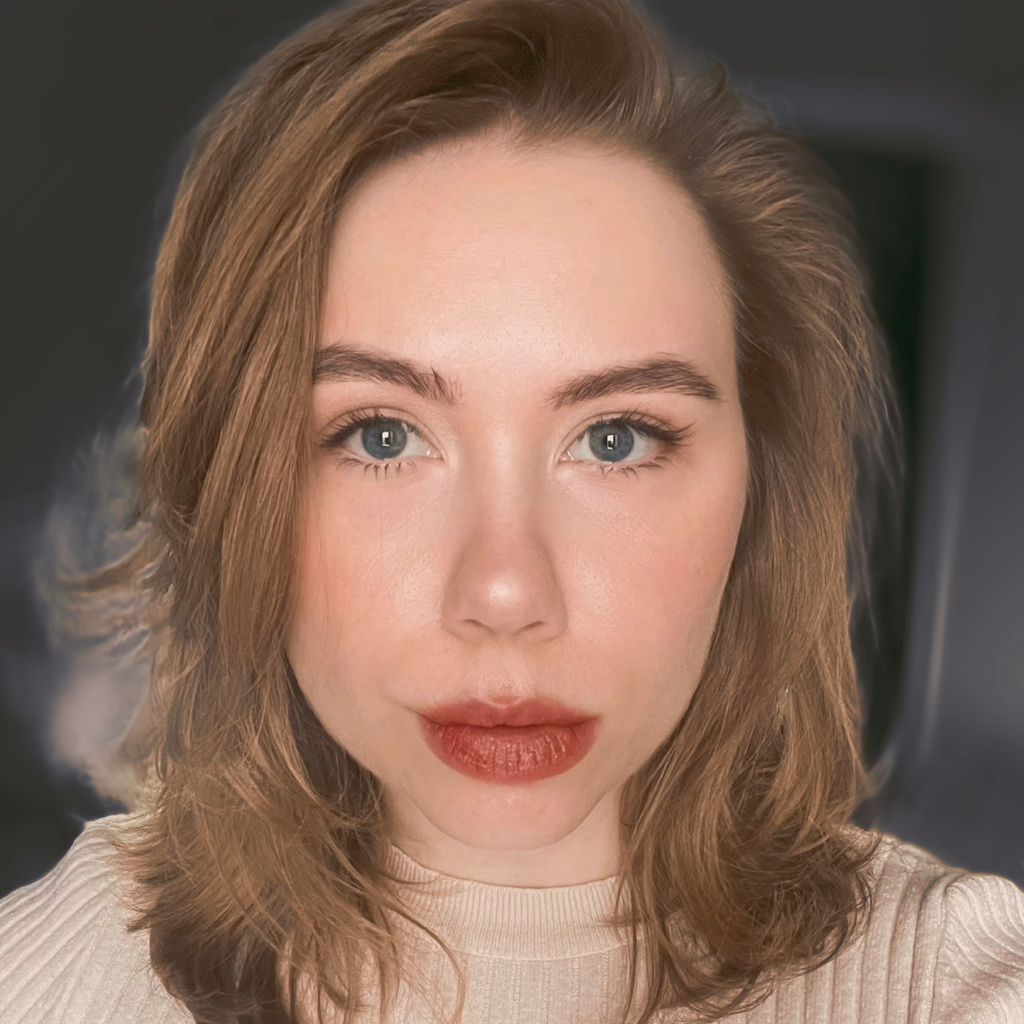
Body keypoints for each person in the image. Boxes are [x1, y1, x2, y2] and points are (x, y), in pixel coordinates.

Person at [1, 0, 1023, 1021]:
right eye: (381, 436)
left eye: (616, 439)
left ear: (761, 494)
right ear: (233, 485)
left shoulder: (946, 981)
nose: (503, 592)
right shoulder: (57, 969)